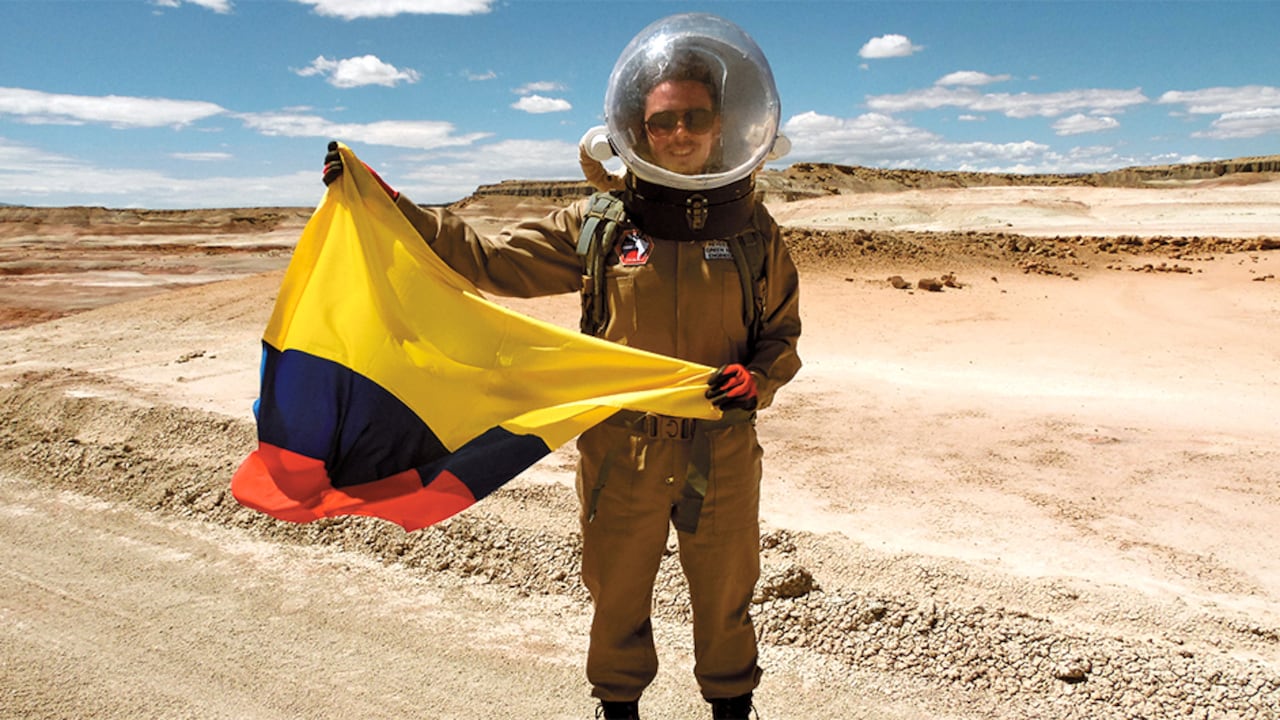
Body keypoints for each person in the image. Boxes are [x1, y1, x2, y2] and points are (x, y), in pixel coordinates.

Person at [323, 13, 800, 719]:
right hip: (622, 451)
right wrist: (391, 207)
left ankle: (732, 706)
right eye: (662, 120)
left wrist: (756, 381)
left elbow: (782, 336)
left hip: (721, 450)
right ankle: (617, 706)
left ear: (722, 124)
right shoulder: (600, 226)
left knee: (727, 598)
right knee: (615, 595)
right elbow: (485, 259)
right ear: (637, 129)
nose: (679, 133)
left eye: (694, 117)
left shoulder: (756, 235)